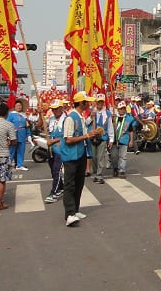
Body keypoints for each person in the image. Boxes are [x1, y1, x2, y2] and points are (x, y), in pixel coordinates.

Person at [61, 92, 102, 226]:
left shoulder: (81, 117)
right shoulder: (70, 118)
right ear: (81, 103)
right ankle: (69, 214)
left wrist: (91, 134)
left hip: (81, 154)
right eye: (87, 102)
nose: (89, 104)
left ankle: (75, 210)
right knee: (70, 185)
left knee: (79, 183)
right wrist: (86, 136)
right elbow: (68, 139)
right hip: (71, 156)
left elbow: (84, 134)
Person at [44, 100, 66, 203]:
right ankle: (61, 187)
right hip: (51, 149)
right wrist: (41, 114)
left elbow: (66, 136)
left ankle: (53, 192)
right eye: (53, 109)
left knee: (57, 170)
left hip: (61, 149)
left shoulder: (66, 119)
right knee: (53, 171)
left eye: (56, 109)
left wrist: (54, 140)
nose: (54, 111)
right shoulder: (51, 118)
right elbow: (41, 125)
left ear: (61, 108)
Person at [89, 95, 113, 184]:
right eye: (98, 102)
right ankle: (95, 173)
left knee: (100, 157)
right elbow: (86, 123)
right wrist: (91, 116)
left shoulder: (107, 114)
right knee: (94, 157)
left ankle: (99, 175)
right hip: (92, 137)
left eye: (101, 102)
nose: (100, 104)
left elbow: (110, 127)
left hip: (102, 138)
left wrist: (111, 139)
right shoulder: (92, 112)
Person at [110, 101, 135, 178]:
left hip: (123, 140)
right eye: (121, 109)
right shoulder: (114, 117)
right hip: (114, 140)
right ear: (118, 109)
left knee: (123, 156)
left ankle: (122, 171)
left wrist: (131, 140)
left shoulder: (128, 119)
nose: (122, 110)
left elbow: (130, 131)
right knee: (114, 156)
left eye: (124, 109)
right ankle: (115, 168)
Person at [7, 99, 30, 171]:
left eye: (20, 105)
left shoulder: (24, 115)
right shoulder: (11, 114)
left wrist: (28, 134)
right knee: (12, 149)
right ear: (14, 107)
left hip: (22, 133)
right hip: (14, 133)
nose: (19, 107)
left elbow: (27, 125)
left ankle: (19, 164)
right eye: (17, 105)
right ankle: (8, 164)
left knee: (21, 149)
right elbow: (7, 124)